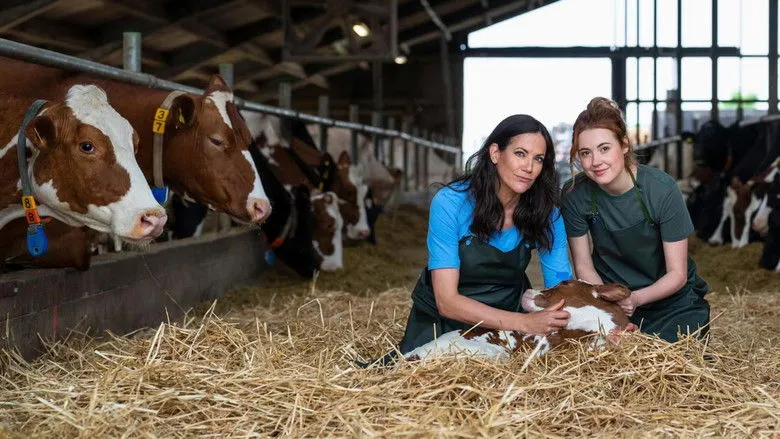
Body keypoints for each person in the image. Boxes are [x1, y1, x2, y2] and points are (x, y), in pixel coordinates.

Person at [392, 114, 573, 359]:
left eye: (538, 159)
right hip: (444, 321)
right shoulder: (450, 202)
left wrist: (599, 325)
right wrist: (525, 322)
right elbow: (447, 300)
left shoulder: (547, 214)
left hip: (508, 320)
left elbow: (561, 292)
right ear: (495, 153)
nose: (529, 167)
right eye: (520, 153)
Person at [560, 97, 710, 343]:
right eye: (586, 153)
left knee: (674, 351)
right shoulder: (575, 195)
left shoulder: (662, 189)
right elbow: (584, 267)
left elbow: (677, 274)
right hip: (609, 296)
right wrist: (609, 308)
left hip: (670, 300)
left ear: (625, 145)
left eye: (605, 148)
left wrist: (636, 299)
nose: (596, 161)